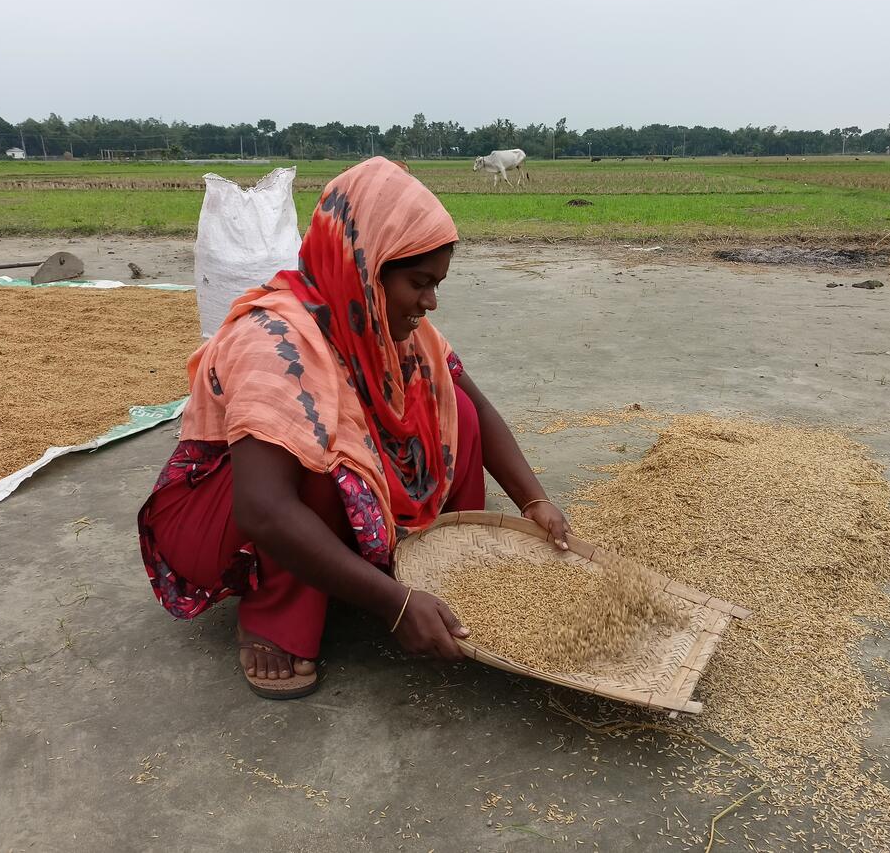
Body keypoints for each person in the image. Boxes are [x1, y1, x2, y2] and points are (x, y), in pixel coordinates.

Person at [138, 157, 570, 699]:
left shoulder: (387, 325)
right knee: (325, 464)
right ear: (365, 267)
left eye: (437, 284)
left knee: (450, 406)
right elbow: (263, 508)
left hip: (297, 500)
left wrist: (535, 501)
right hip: (229, 516)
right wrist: (395, 606)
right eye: (419, 283)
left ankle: (432, 567)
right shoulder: (273, 340)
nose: (431, 302)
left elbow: (476, 408)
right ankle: (275, 619)